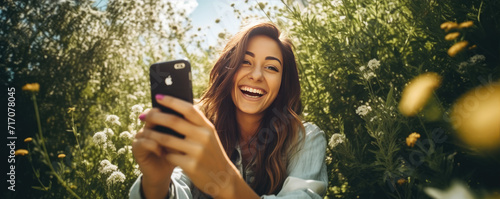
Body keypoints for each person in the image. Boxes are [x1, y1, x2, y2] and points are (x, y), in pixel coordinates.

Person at [129, 22, 327, 199]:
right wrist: (156, 183)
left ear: (283, 83)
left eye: (271, 68)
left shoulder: (306, 138)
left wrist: (224, 182)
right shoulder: (197, 129)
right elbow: (179, 183)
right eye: (245, 62)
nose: (256, 75)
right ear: (228, 70)